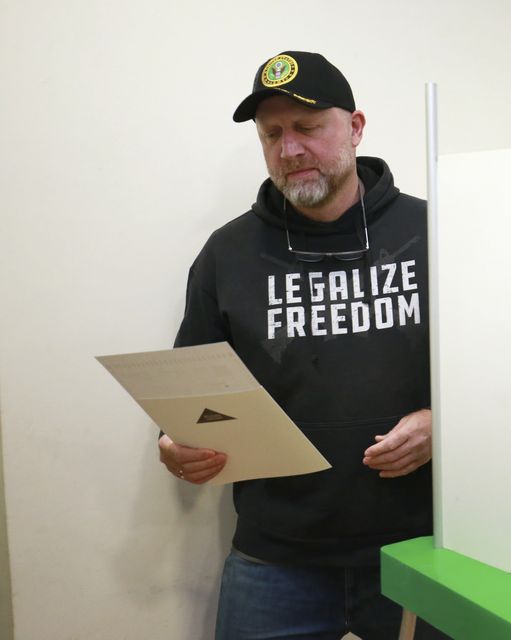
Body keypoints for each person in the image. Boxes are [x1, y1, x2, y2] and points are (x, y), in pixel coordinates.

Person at [157, 51, 444, 640]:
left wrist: (446, 422)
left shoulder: (436, 233)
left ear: (356, 128)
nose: (289, 150)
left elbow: (506, 378)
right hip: (276, 558)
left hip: (422, 548)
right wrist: (173, 441)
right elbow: (190, 390)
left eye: (308, 128)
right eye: (273, 135)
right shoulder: (227, 253)